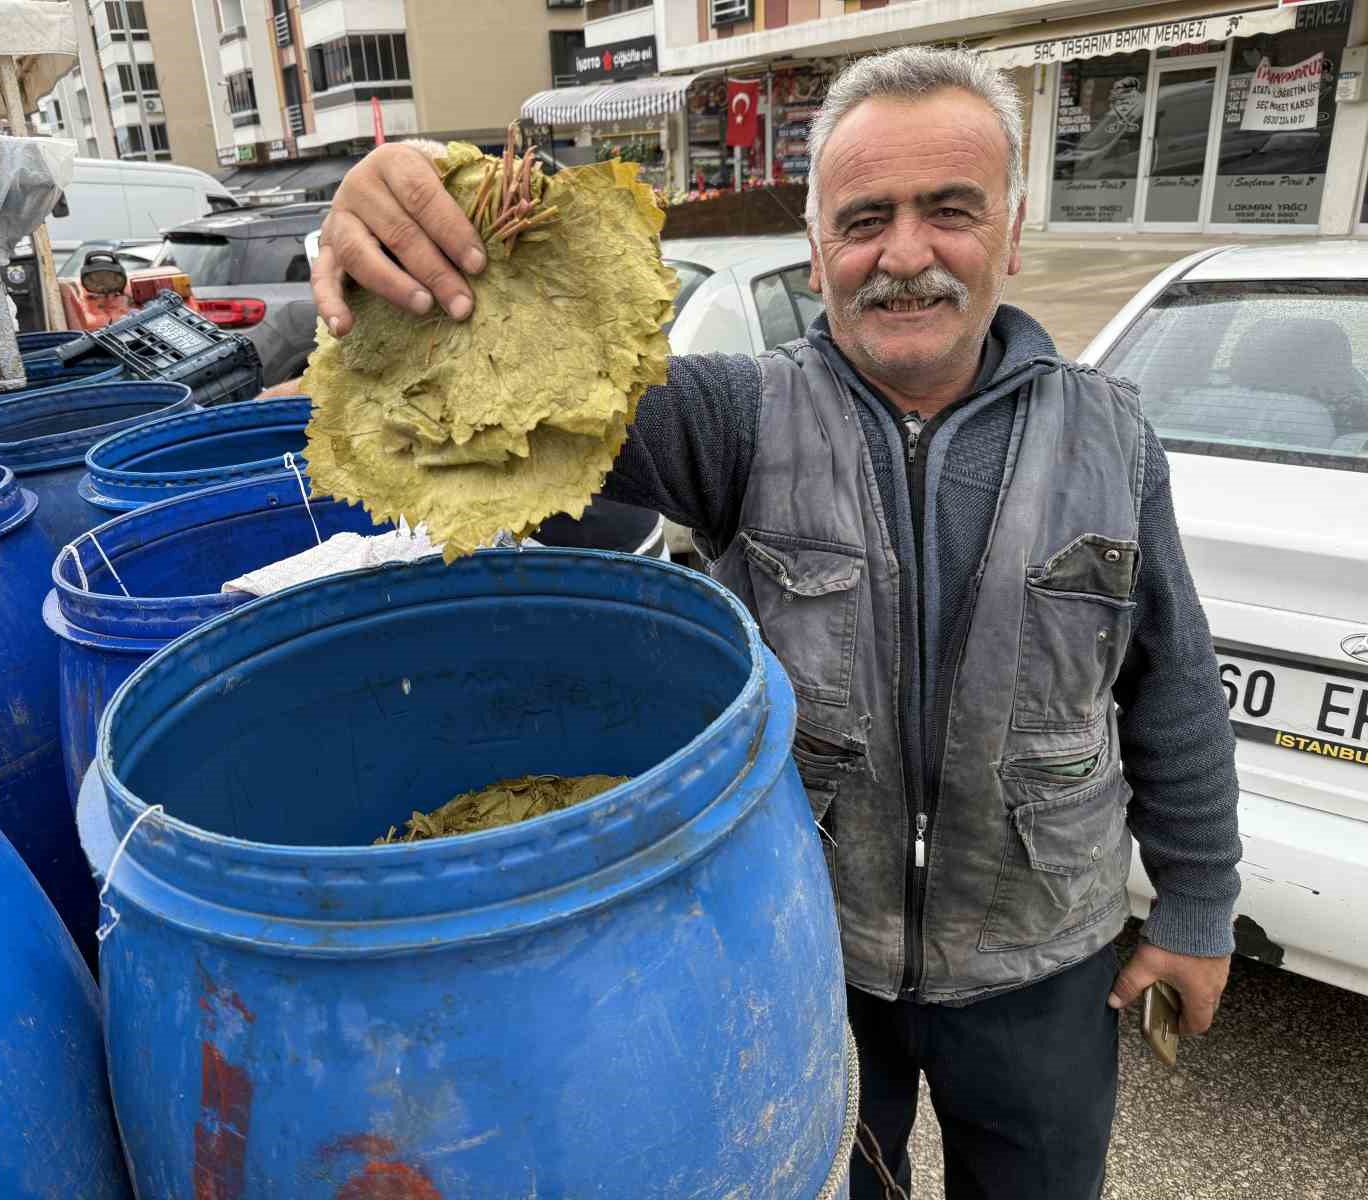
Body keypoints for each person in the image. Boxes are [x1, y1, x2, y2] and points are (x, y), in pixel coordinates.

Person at [314, 47, 1240, 1200]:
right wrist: (396, 223)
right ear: (818, 251)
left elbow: (1173, 689)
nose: (904, 255)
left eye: (948, 210)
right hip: (807, 945)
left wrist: (1197, 904)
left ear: (1009, 235)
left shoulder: (1114, 441)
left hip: (1043, 953)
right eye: (864, 220)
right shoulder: (737, 416)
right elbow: (505, 414)